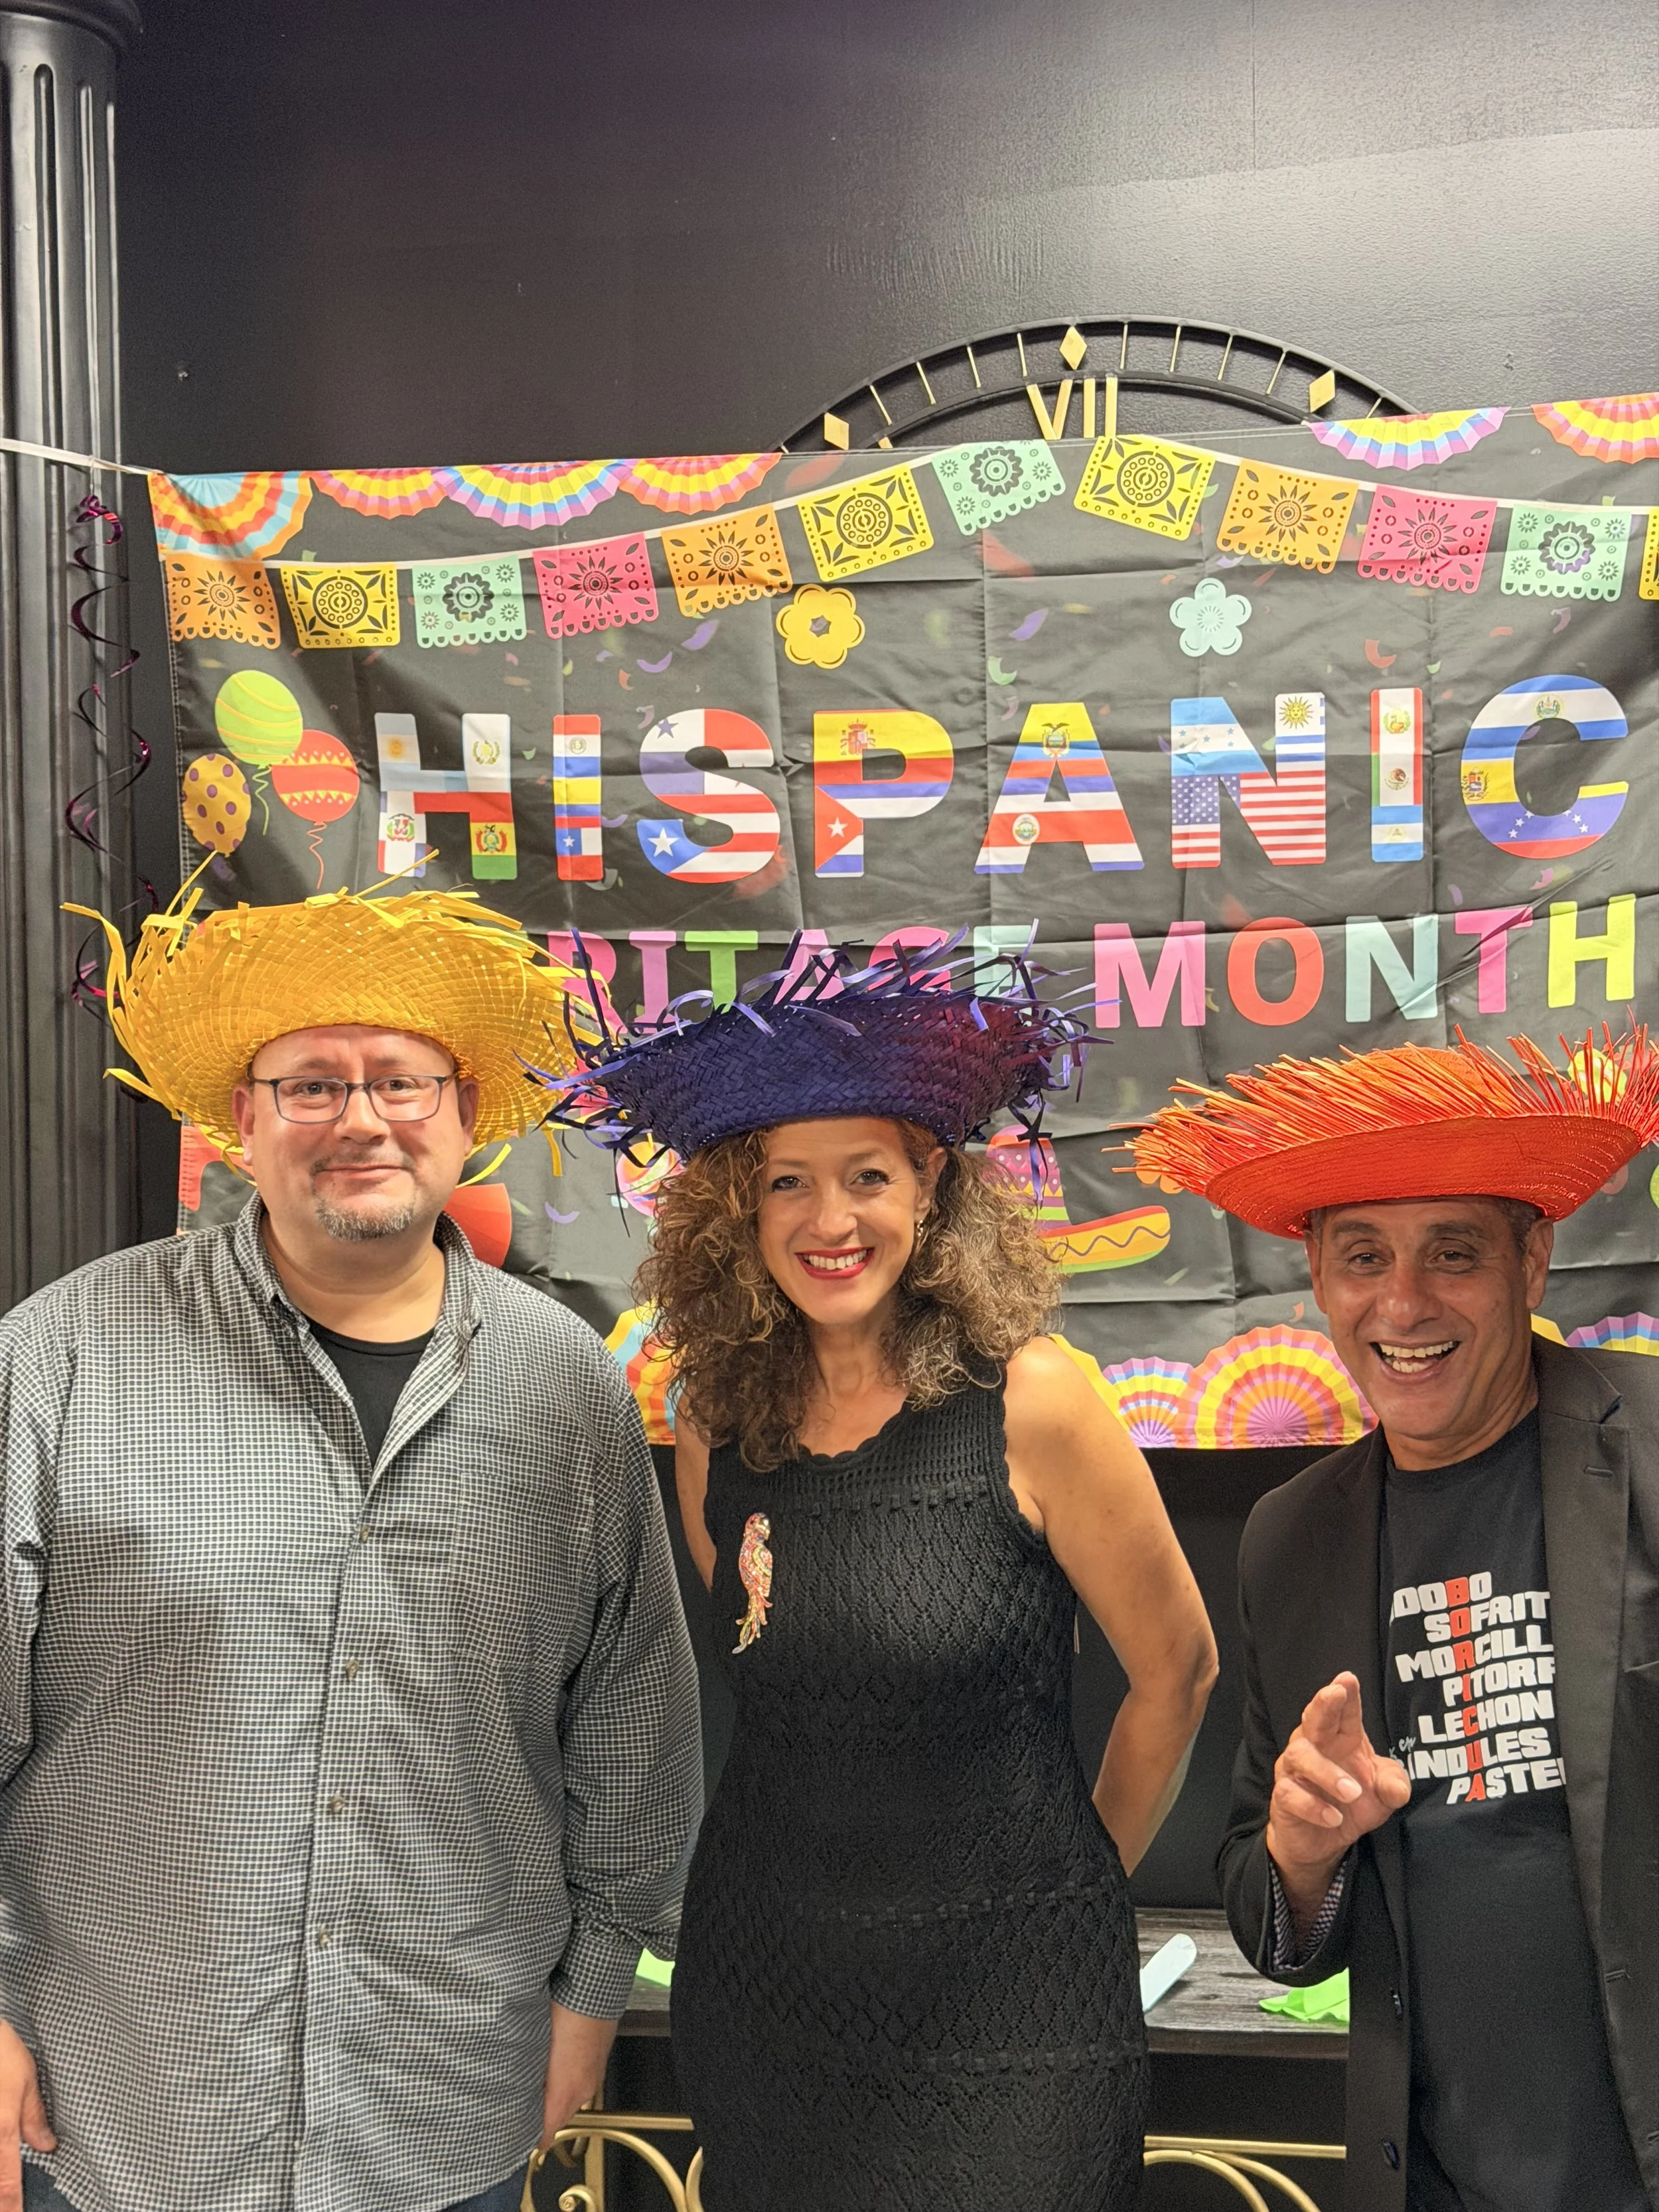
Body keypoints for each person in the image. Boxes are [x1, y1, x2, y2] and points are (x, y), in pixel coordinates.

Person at [0, 885, 702, 2212]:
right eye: (311, 1083)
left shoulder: (565, 1390)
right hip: (124, 2114)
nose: (361, 1118)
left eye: (401, 1080)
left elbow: (630, 1725)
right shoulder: (61, 1362)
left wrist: (596, 1991)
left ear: (463, 1116)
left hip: (449, 2108)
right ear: (241, 1120)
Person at [539, 942, 1218, 2212]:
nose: (829, 1220)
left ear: (933, 1187)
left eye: (867, 1176)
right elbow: (768, 1667)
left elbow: (1178, 1673)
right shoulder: (713, 1422)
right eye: (786, 1181)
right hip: (770, 2000)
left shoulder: (1036, 1404)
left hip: (1014, 2026)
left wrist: (1071, 1886)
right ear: (739, 1208)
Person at [1132, 1028, 1659, 2212]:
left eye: (1453, 1253)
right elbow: (1277, 1928)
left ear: (1534, 1260)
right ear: (1316, 1274)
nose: (1403, 1302)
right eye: (1363, 1254)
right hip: (1436, 2180)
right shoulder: (1292, 1535)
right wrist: (1303, 1852)